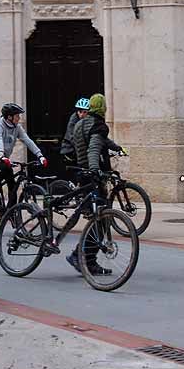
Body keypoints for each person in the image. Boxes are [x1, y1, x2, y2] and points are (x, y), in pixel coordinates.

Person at [67, 93, 122, 276]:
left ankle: (84, 257)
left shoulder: (81, 123)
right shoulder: (98, 125)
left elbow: (96, 141)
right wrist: (95, 170)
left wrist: (116, 147)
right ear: (102, 108)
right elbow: (94, 148)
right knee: (101, 219)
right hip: (91, 176)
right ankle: (84, 258)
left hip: (81, 173)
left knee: (97, 218)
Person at [0, 103, 47, 211]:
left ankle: (10, 211)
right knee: (5, 168)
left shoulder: (17, 127)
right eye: (17, 115)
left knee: (12, 187)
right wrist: (1, 155)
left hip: (4, 157)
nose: (19, 118)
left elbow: (27, 141)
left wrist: (40, 155)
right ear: (9, 117)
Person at [60, 98, 91, 165]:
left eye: (85, 112)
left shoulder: (89, 120)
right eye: (80, 111)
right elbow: (72, 137)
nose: (82, 115)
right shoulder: (73, 120)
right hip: (69, 151)